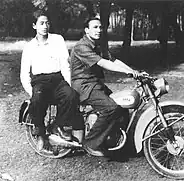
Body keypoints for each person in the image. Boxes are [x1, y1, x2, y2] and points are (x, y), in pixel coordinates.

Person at [70, 17, 141, 157]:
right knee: (111, 108)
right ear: (86, 30)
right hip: (83, 86)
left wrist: (133, 71)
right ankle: (90, 143)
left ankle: (115, 140)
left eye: (101, 27)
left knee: (122, 105)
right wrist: (126, 72)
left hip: (94, 84)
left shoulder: (98, 45)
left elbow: (113, 60)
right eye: (95, 27)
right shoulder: (81, 47)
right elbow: (103, 63)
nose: (99, 30)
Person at [20, 10, 84, 151]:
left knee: (71, 96)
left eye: (47, 23)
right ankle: (40, 134)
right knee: (37, 100)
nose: (45, 26)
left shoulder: (57, 39)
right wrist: (32, 92)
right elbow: (24, 74)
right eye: (41, 23)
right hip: (39, 81)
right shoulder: (29, 47)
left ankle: (58, 125)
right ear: (34, 26)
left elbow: (65, 65)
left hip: (57, 79)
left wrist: (69, 84)